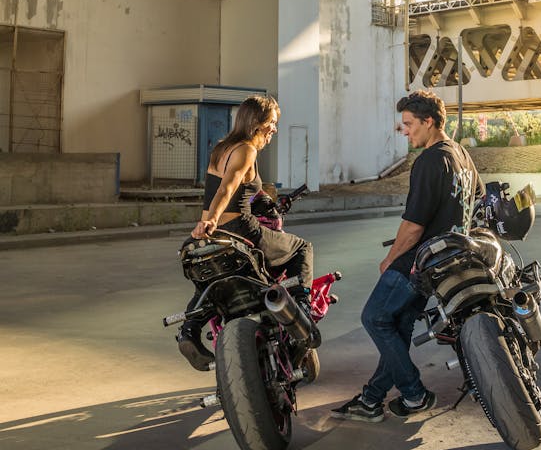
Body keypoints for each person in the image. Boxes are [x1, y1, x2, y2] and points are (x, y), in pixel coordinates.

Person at [333, 89, 483, 422]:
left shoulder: (430, 160)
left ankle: (414, 394)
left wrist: (390, 261)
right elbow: (479, 199)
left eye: (409, 123)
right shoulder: (461, 155)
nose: (405, 131)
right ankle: (372, 400)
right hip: (448, 262)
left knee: (374, 318)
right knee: (397, 326)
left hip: (420, 260)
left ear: (429, 122)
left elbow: (413, 227)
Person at [177, 95, 313, 370]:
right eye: (272, 123)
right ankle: (302, 316)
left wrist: (207, 226)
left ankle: (189, 330)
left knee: (210, 282)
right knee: (302, 248)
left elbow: (239, 189)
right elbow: (227, 187)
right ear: (256, 123)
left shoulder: (221, 148)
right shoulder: (246, 150)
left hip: (209, 235)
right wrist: (214, 219)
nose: (274, 129)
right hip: (239, 228)